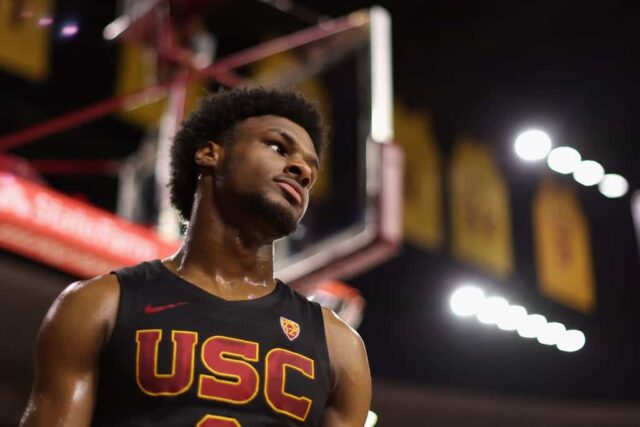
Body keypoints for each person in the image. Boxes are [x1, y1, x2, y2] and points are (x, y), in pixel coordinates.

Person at [20, 87, 371, 426]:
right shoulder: (97, 305)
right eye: (279, 147)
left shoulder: (339, 347)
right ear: (209, 154)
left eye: (311, 170)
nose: (302, 170)